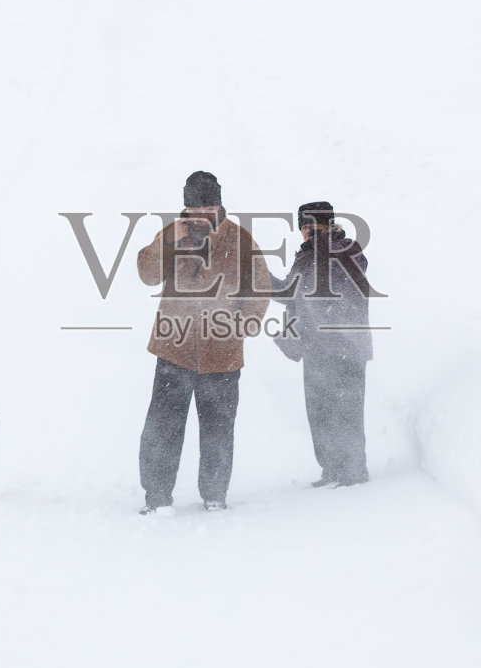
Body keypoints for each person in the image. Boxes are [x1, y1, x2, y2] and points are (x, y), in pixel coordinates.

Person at [134, 171, 272, 513]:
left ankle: (214, 496)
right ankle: (157, 498)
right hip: (173, 349)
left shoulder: (241, 240)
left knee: (218, 431)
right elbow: (147, 274)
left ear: (219, 204)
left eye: (206, 206)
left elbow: (260, 290)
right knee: (163, 429)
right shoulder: (173, 236)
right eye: (193, 208)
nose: (199, 214)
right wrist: (168, 238)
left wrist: (238, 329)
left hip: (222, 356)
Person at [271, 201, 373, 487]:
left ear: (329, 226)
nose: (307, 233)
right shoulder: (305, 257)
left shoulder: (348, 249)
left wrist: (322, 239)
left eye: (312, 227)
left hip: (346, 347)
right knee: (320, 413)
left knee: (348, 411)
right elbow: (287, 294)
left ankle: (354, 470)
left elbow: (343, 271)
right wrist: (258, 276)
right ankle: (332, 468)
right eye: (303, 228)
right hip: (315, 347)